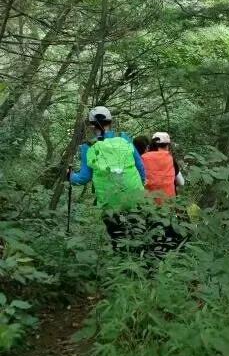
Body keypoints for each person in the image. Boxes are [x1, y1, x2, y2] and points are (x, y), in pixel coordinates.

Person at [69, 106, 146, 249]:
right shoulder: (124, 138)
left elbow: (83, 178)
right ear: (111, 122)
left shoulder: (88, 147)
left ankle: (121, 262)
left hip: (109, 203)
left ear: (91, 125)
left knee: (117, 238)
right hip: (135, 197)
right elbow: (140, 166)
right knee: (137, 235)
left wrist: (70, 175)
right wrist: (140, 185)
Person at [142, 132, 184, 202]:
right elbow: (181, 182)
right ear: (167, 145)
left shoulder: (143, 157)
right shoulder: (170, 158)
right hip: (168, 202)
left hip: (148, 203)